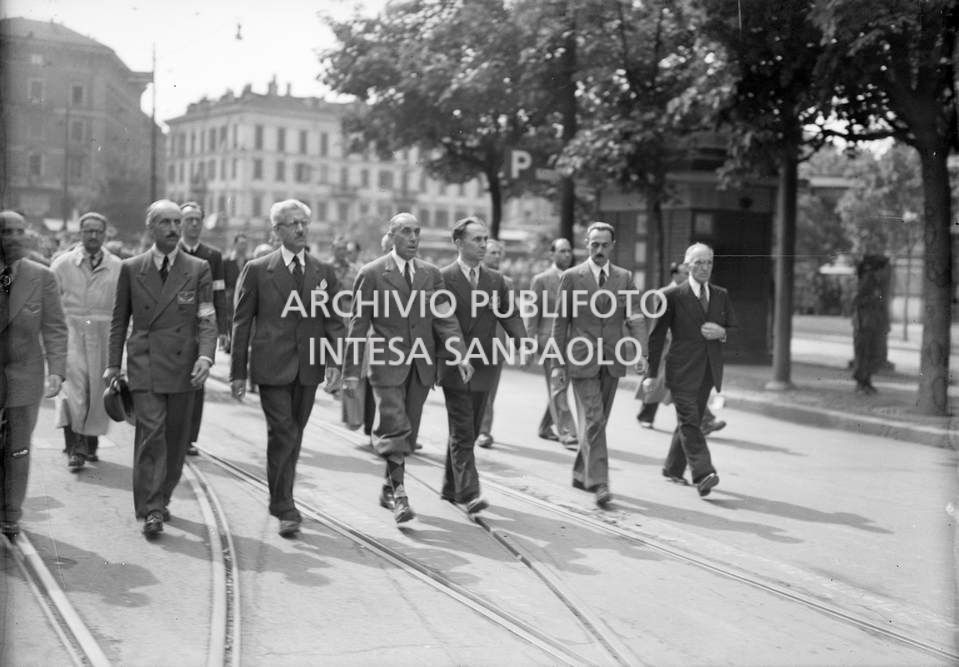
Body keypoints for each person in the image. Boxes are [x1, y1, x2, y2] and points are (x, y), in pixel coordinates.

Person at [343, 212, 470, 524]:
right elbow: (359, 326)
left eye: (417, 232)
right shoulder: (372, 273)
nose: (414, 238)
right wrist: (350, 372)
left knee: (407, 434)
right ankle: (400, 494)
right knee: (395, 427)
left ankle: (388, 485)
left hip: (420, 367)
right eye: (406, 232)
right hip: (386, 365)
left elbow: (445, 318)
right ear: (392, 235)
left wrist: (460, 353)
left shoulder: (431, 274)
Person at [230, 200, 345, 537]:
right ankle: (284, 505)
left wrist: (336, 361)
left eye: (304, 223)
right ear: (276, 231)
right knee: (284, 432)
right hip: (271, 367)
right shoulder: (257, 269)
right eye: (292, 224)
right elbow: (241, 323)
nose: (300, 229)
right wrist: (238, 372)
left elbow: (334, 322)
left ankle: (282, 497)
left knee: (293, 435)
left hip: (308, 367)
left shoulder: (323, 272)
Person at [105, 200, 217, 538]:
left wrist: (206, 357)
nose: (173, 228)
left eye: (177, 222)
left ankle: (162, 496)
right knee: (151, 434)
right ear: (151, 228)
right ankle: (151, 508)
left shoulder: (198, 269)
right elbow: (118, 320)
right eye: (165, 222)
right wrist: (112, 365)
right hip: (146, 365)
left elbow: (207, 319)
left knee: (176, 439)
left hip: (185, 367)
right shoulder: (131, 267)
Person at [551, 222, 647, 508]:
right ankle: (601, 483)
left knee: (599, 421)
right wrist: (558, 364)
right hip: (581, 358)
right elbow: (561, 323)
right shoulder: (571, 277)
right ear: (586, 244)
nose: (599, 250)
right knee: (593, 419)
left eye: (605, 245)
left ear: (612, 246)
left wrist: (642, 353)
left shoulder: (624, 277)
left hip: (613, 359)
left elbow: (636, 317)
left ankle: (582, 473)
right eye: (594, 244)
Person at [439, 219, 526, 511]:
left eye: (484, 239)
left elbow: (510, 314)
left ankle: (451, 487)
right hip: (454, 364)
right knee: (463, 429)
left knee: (470, 430)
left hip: (485, 365)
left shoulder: (495, 280)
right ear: (458, 242)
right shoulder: (443, 278)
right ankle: (469, 492)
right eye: (476, 239)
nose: (482, 244)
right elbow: (442, 322)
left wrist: (521, 341)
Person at [644, 242, 738, 498]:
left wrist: (723, 333)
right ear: (687, 266)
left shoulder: (721, 295)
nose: (704, 267)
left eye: (708, 262)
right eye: (699, 262)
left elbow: (733, 329)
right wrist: (651, 375)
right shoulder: (670, 296)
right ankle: (704, 473)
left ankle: (672, 468)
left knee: (692, 420)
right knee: (689, 421)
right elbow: (656, 336)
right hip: (681, 370)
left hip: (708, 371)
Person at [0, 211, 67, 539]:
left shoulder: (42, 277)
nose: (13, 236)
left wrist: (57, 371)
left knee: (17, 448)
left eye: (19, 230)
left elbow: (55, 327)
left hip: (24, 377)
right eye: (6, 231)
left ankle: (11, 513)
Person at [50, 212, 122, 471]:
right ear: (79, 234)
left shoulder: (117, 266)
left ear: (105, 234)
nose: (92, 235)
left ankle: (90, 443)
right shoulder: (62, 264)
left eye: (97, 231)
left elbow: (125, 307)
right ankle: (74, 448)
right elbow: (48, 301)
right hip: (71, 333)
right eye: (87, 231)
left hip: (104, 334)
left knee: (96, 391)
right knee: (72, 393)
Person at [637, 261, 727, 435]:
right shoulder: (664, 294)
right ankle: (648, 416)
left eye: (689, 273)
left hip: (683, 349)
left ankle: (702, 421)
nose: (688, 276)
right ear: (674, 275)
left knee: (675, 385)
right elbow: (660, 325)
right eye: (684, 273)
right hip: (666, 347)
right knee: (661, 382)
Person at [179, 202, 230, 457]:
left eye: (198, 219)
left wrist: (223, 327)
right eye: (189, 219)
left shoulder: (212, 256)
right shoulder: (171, 250)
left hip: (202, 326)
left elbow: (219, 291)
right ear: (181, 223)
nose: (195, 224)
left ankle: (189, 438)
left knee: (197, 380)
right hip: (175, 324)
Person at [526, 238, 577, 449]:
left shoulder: (576, 277)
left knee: (561, 386)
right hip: (548, 340)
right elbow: (532, 311)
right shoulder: (541, 280)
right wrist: (529, 342)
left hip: (572, 342)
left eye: (569, 251)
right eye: (562, 251)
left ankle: (545, 427)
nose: (566, 255)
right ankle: (566, 431)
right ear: (552, 254)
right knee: (558, 386)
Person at [474, 238, 510, 449]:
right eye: (492, 252)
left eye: (499, 253)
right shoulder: (472, 279)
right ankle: (473, 428)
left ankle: (484, 431)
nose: (496, 256)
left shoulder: (507, 283)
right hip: (473, 344)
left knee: (489, 392)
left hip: (496, 346)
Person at [851, 255, 888, 394]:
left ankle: (867, 381)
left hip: (871, 323)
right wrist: (874, 298)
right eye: (884, 269)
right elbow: (857, 301)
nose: (886, 272)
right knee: (862, 354)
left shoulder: (876, 281)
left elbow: (879, 300)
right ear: (878, 269)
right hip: (863, 323)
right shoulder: (868, 279)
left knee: (871, 354)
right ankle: (861, 384)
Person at [223, 233, 249, 323]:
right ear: (235, 244)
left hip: (246, 299)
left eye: (245, 243)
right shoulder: (226, 262)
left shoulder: (250, 262)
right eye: (241, 243)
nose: (244, 246)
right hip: (230, 299)